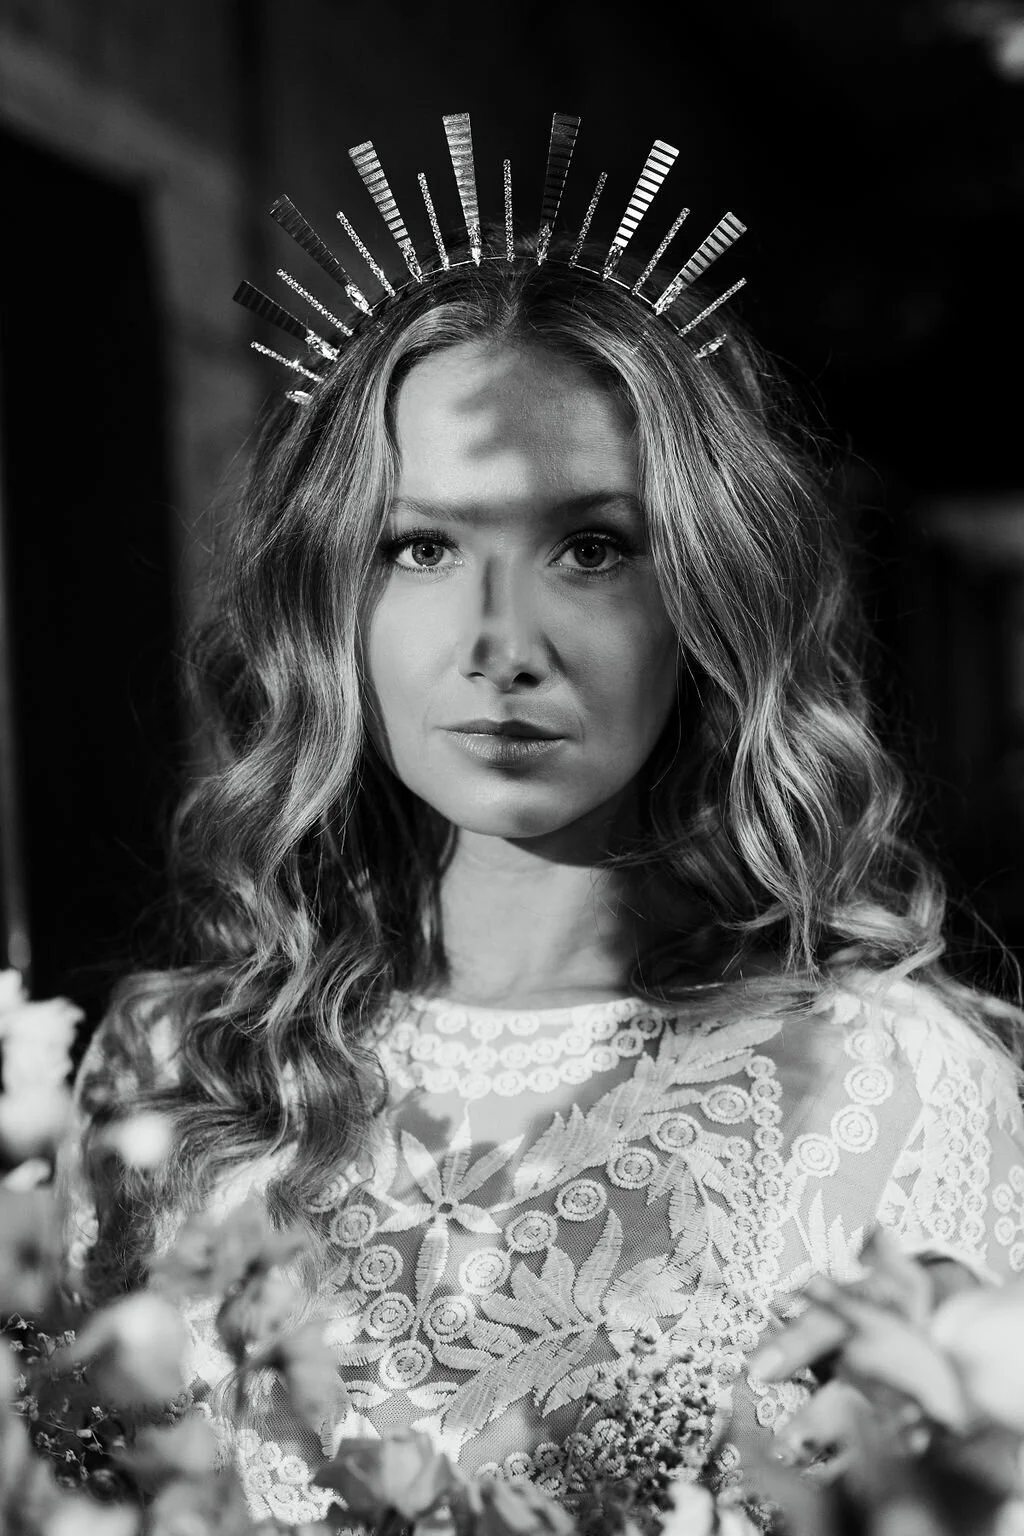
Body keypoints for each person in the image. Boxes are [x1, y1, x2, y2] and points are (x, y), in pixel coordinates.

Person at [60, 164, 1024, 1527]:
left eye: (591, 548)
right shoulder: (171, 1070)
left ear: (707, 594)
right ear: (330, 600)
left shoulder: (891, 1085)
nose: (502, 645)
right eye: (419, 548)